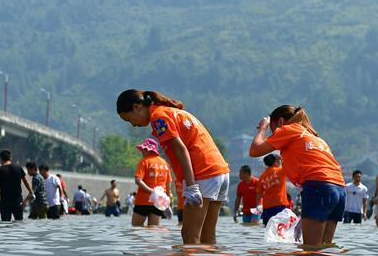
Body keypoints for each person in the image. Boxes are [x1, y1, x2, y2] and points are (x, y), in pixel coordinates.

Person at [117, 89, 229, 245]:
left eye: (129, 119)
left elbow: (180, 148)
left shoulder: (158, 117)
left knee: (190, 237)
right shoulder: (169, 111)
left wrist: (191, 186)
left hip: (203, 174)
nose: (133, 125)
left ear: (137, 107)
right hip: (219, 172)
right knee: (207, 237)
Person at [249, 105, 345, 247]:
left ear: (280, 122)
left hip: (319, 187)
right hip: (339, 189)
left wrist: (263, 127)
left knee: (310, 250)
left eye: (272, 130)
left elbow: (254, 150)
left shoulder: (288, 129)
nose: (273, 135)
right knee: (326, 247)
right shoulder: (312, 135)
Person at [131, 138, 171, 227]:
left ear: (147, 150)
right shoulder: (165, 163)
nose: (142, 152)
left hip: (143, 201)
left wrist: (151, 191)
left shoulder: (144, 161)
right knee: (154, 230)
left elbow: (138, 180)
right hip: (159, 201)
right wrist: (168, 204)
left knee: (136, 228)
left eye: (143, 150)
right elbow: (168, 185)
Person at [0, 149, 33, 222]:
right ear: (10, 158)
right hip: (17, 201)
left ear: (1, 158)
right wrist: (31, 192)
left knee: (5, 223)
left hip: (5, 202)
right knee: (19, 222)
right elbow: (26, 181)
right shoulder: (18, 167)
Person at [256, 154, 288, 226]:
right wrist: (281, 159)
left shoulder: (262, 176)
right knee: (280, 229)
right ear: (275, 162)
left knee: (267, 229)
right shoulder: (281, 171)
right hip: (279, 204)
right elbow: (288, 164)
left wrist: (258, 205)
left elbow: (259, 194)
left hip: (267, 207)